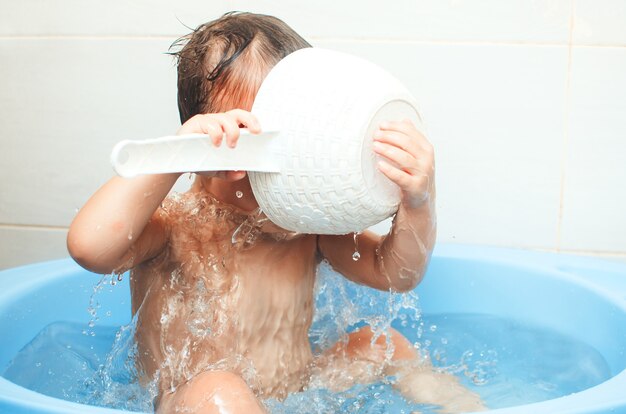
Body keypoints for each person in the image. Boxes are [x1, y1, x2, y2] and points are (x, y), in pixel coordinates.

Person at [67, 11, 484, 414]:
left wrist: (418, 201)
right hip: (192, 405)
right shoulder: (175, 225)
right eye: (245, 134)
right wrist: (173, 154)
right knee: (219, 390)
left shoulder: (304, 225)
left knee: (380, 343)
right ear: (203, 135)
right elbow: (91, 248)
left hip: (297, 394)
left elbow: (396, 274)